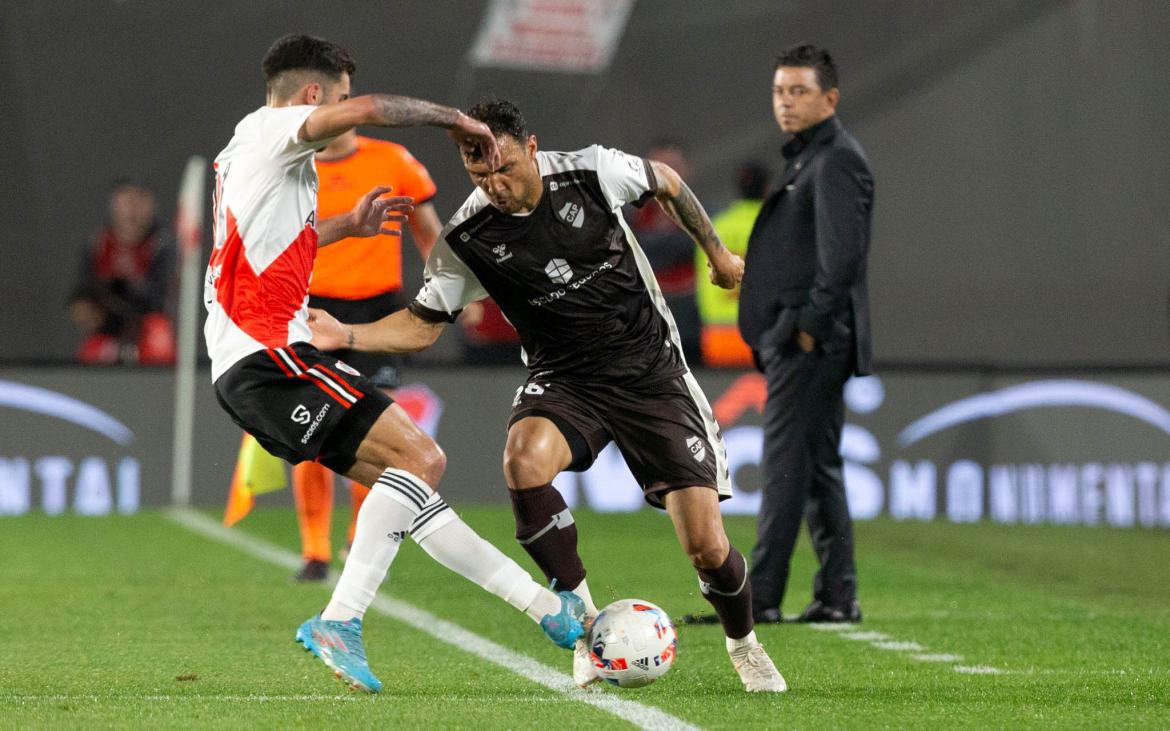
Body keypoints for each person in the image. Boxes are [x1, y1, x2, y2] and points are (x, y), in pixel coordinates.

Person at [308, 98, 788, 693]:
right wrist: (348, 333)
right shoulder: (469, 234)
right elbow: (425, 320)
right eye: (479, 174)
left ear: (530, 147)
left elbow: (666, 181)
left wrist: (715, 252)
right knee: (522, 459)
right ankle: (586, 627)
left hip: (650, 373)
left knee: (706, 547)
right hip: (565, 378)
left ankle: (744, 645)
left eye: (504, 168)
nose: (495, 186)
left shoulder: (590, 172)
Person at [204, 34, 585, 694]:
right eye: (340, 97)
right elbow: (373, 109)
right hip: (269, 355)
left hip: (254, 360)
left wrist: (344, 226)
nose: (346, 108)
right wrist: (458, 120)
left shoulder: (245, 145)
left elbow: (264, 239)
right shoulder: (279, 127)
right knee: (424, 458)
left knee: (415, 491)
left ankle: (547, 610)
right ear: (314, 96)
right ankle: (339, 620)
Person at [738, 44, 875, 623]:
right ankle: (837, 596)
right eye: (779, 91)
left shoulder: (837, 160)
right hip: (802, 338)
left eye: (799, 91)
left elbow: (841, 261)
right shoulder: (811, 158)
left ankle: (759, 599)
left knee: (785, 466)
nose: (786, 103)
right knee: (817, 466)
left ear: (830, 98)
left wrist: (806, 332)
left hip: (811, 342)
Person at [292, 129, 443, 582]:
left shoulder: (394, 160)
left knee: (375, 431)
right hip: (312, 307)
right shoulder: (295, 168)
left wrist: (453, 292)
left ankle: (361, 540)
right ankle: (314, 551)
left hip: (376, 312)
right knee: (308, 434)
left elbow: (428, 228)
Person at [69, 179, 177, 365]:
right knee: (93, 354)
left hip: (148, 329)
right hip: (107, 329)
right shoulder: (98, 244)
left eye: (140, 200)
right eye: (127, 202)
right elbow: (84, 291)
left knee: (158, 337)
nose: (133, 210)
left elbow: (157, 297)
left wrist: (118, 287)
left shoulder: (162, 245)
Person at [695, 161, 769, 367]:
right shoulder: (773, 223)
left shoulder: (715, 226)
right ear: (767, 188)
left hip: (717, 337)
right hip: (762, 336)